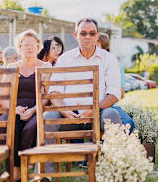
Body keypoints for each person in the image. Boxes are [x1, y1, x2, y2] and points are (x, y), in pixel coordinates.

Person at [42, 18, 122, 174]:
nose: (88, 37)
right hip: (68, 115)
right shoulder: (64, 59)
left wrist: (94, 109)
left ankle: (111, 169)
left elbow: (114, 93)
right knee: (48, 116)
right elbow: (54, 91)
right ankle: (46, 174)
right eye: (83, 33)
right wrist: (64, 110)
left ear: (97, 36)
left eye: (92, 33)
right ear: (75, 35)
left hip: (98, 113)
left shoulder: (108, 59)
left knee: (112, 115)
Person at [0, 30, 51, 181]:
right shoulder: (12, 67)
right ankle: (13, 169)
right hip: (14, 108)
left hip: (36, 109)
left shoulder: (45, 66)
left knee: (29, 129)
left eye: (33, 45)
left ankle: (22, 171)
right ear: (20, 47)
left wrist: (34, 110)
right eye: (26, 45)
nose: (30, 48)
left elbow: (47, 96)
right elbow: (3, 94)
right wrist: (14, 109)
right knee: (5, 125)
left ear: (39, 47)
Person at [97, 32, 135, 131]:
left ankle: (111, 145)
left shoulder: (115, 65)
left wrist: (106, 101)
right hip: (87, 107)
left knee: (128, 124)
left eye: (96, 46)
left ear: (104, 48)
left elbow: (121, 93)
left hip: (110, 106)